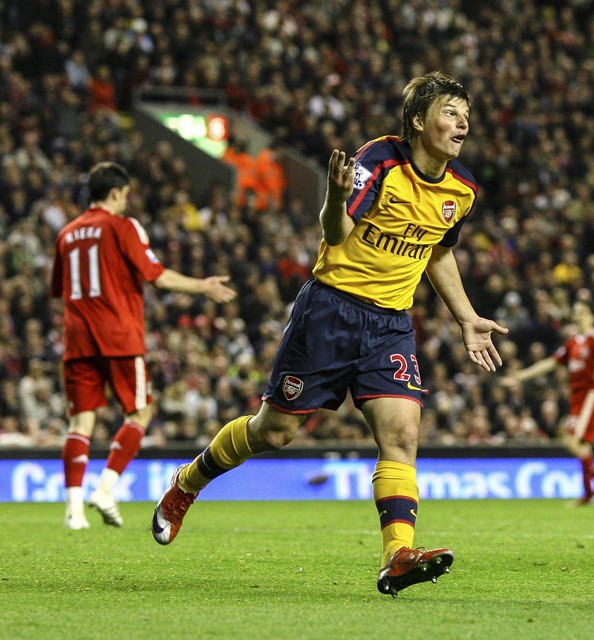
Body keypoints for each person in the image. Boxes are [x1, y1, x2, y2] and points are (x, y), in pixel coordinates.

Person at [150, 72, 508, 597]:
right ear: (417, 121)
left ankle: (397, 557)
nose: (463, 123)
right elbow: (336, 233)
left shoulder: (463, 188)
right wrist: (335, 200)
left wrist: (466, 316)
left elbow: (439, 249)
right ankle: (187, 483)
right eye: (451, 113)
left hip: (390, 324)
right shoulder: (379, 162)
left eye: (466, 115)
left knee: (402, 435)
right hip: (331, 309)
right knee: (273, 432)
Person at [51, 161, 236, 530]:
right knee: (139, 414)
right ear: (117, 192)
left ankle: (73, 511)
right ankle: (104, 490)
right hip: (119, 335)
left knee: (80, 422)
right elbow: (159, 278)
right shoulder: (123, 226)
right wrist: (204, 286)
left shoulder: (66, 234)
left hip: (78, 337)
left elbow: (58, 290)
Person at [502, 300, 594, 505]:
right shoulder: (573, 342)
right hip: (577, 397)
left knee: (570, 439)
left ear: (592, 316)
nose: (578, 316)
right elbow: (550, 363)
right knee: (581, 445)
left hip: (591, 394)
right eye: (576, 313)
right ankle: (590, 493)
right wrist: (519, 376)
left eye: (583, 313)